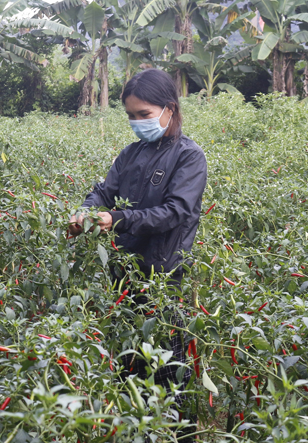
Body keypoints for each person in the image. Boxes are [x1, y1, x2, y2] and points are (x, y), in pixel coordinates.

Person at [68, 68, 208, 440]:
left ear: (169, 109)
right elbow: (103, 191)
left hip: (164, 278)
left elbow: (175, 212)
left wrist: (116, 219)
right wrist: (84, 212)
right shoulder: (130, 154)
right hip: (123, 277)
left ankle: (182, 437)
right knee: (128, 367)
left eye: (144, 114)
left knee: (170, 372)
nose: (137, 123)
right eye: (131, 116)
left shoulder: (189, 157)